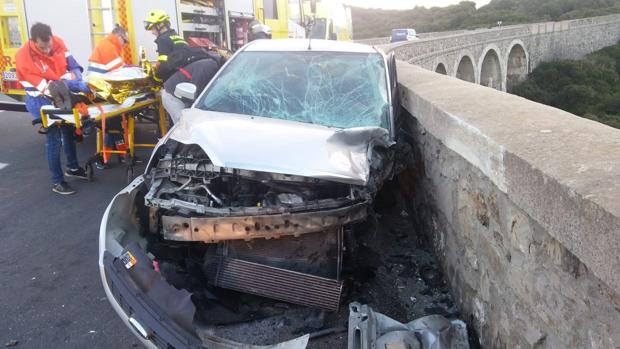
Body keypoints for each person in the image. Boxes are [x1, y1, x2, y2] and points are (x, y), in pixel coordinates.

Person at [16, 22, 90, 195]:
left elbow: (73, 64)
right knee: (54, 138)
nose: (47, 51)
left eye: (49, 46)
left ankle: (72, 168)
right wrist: (75, 83)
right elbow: (50, 88)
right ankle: (57, 181)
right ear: (34, 42)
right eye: (42, 48)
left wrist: (77, 75)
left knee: (68, 129)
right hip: (41, 100)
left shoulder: (57, 42)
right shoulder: (24, 58)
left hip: (61, 95)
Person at [144, 9, 224, 124]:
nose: (152, 32)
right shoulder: (176, 36)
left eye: (152, 28)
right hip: (185, 80)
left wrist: (155, 79)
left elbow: (164, 66)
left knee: (180, 124)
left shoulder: (163, 40)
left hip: (175, 86)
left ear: (160, 25)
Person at [86, 25, 130, 168]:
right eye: (125, 41)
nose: (125, 44)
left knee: (113, 123)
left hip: (101, 90)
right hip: (101, 92)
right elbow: (120, 71)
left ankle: (116, 155)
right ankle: (106, 157)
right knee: (112, 124)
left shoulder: (109, 45)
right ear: (119, 37)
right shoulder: (108, 46)